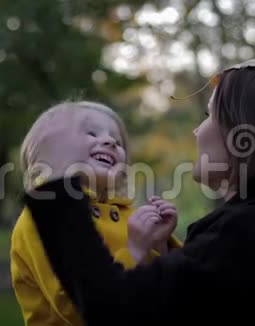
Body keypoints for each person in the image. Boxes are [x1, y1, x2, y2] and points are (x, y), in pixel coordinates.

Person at [22, 59, 255, 325]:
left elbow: (113, 310)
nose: (197, 129)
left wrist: (59, 183)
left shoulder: (252, 232)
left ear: (245, 136)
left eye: (209, 115)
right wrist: (166, 251)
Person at [10, 101, 181, 326]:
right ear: (49, 150)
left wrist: (160, 246)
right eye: (91, 133)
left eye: (118, 142)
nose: (110, 142)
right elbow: (75, 308)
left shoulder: (131, 214)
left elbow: (176, 293)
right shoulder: (44, 218)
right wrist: (135, 251)